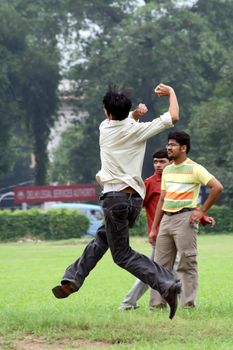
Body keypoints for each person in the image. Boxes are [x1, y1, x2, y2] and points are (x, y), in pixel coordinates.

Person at [52, 83, 182, 320]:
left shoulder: (105, 128)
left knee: (121, 255)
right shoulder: (137, 130)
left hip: (115, 200)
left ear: (107, 113)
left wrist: (133, 115)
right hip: (133, 203)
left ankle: (167, 282)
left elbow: (120, 120)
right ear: (126, 111)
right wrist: (171, 93)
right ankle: (72, 279)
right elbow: (173, 116)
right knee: (103, 238)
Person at [119, 148, 216, 311]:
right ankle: (131, 303)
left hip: (178, 228)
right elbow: (137, 205)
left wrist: (203, 216)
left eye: (161, 161)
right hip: (160, 232)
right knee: (161, 268)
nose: (157, 165)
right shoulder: (149, 183)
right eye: (155, 161)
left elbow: (183, 204)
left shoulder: (175, 178)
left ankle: (137, 303)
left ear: (171, 162)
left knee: (157, 269)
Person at [149, 131, 223, 309]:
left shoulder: (195, 168)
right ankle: (157, 305)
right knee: (160, 265)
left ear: (184, 148)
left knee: (187, 263)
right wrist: (154, 228)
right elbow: (161, 200)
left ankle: (188, 305)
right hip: (166, 219)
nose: (168, 147)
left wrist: (201, 211)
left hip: (185, 218)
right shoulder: (167, 169)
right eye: (168, 144)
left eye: (173, 145)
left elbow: (217, 187)